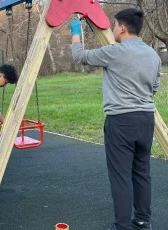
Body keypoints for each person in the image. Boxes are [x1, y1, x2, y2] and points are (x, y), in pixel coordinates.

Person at [70, 8, 161, 230]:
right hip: (146, 120)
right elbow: (155, 88)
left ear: (121, 27)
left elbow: (79, 56)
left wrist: (75, 32)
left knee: (121, 176)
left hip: (121, 121)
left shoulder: (114, 52)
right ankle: (142, 221)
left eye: (114, 25)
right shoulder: (154, 55)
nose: (112, 29)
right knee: (142, 173)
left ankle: (122, 226)